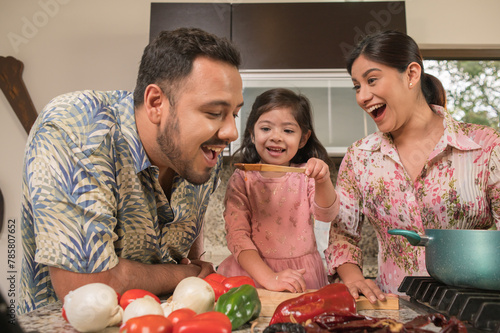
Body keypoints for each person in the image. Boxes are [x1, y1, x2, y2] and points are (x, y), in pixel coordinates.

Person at [18, 27, 244, 314]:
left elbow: (191, 250)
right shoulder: (77, 129)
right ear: (155, 103)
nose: (232, 132)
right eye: (214, 113)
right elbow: (86, 287)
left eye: (234, 113)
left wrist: (191, 275)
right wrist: (183, 277)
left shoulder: (198, 153)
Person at [325, 30, 500, 303]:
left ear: (411, 74)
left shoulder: (485, 146)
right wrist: (354, 278)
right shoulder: (359, 157)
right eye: (357, 86)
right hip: (393, 311)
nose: (362, 96)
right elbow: (342, 238)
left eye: (371, 80)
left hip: (472, 309)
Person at [217, 88, 339, 292]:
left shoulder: (306, 176)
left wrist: (323, 180)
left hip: (301, 274)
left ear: (303, 139)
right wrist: (270, 278)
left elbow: (327, 214)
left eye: (288, 131)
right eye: (266, 129)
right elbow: (237, 237)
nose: (276, 137)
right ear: (252, 134)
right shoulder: (242, 179)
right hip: (253, 273)